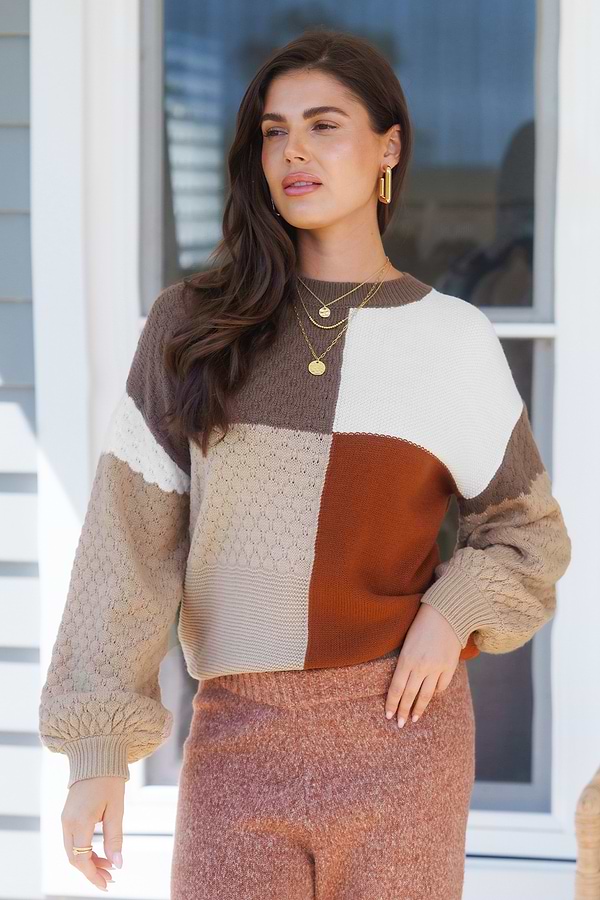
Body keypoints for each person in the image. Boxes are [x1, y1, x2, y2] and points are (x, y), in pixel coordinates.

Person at [38, 28, 572, 900]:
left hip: (404, 735)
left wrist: (452, 613)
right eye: (274, 130)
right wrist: (98, 751)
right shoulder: (193, 327)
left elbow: (528, 534)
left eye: (324, 125)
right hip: (239, 743)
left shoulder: (452, 341)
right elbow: (126, 545)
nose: (293, 151)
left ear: (388, 147)